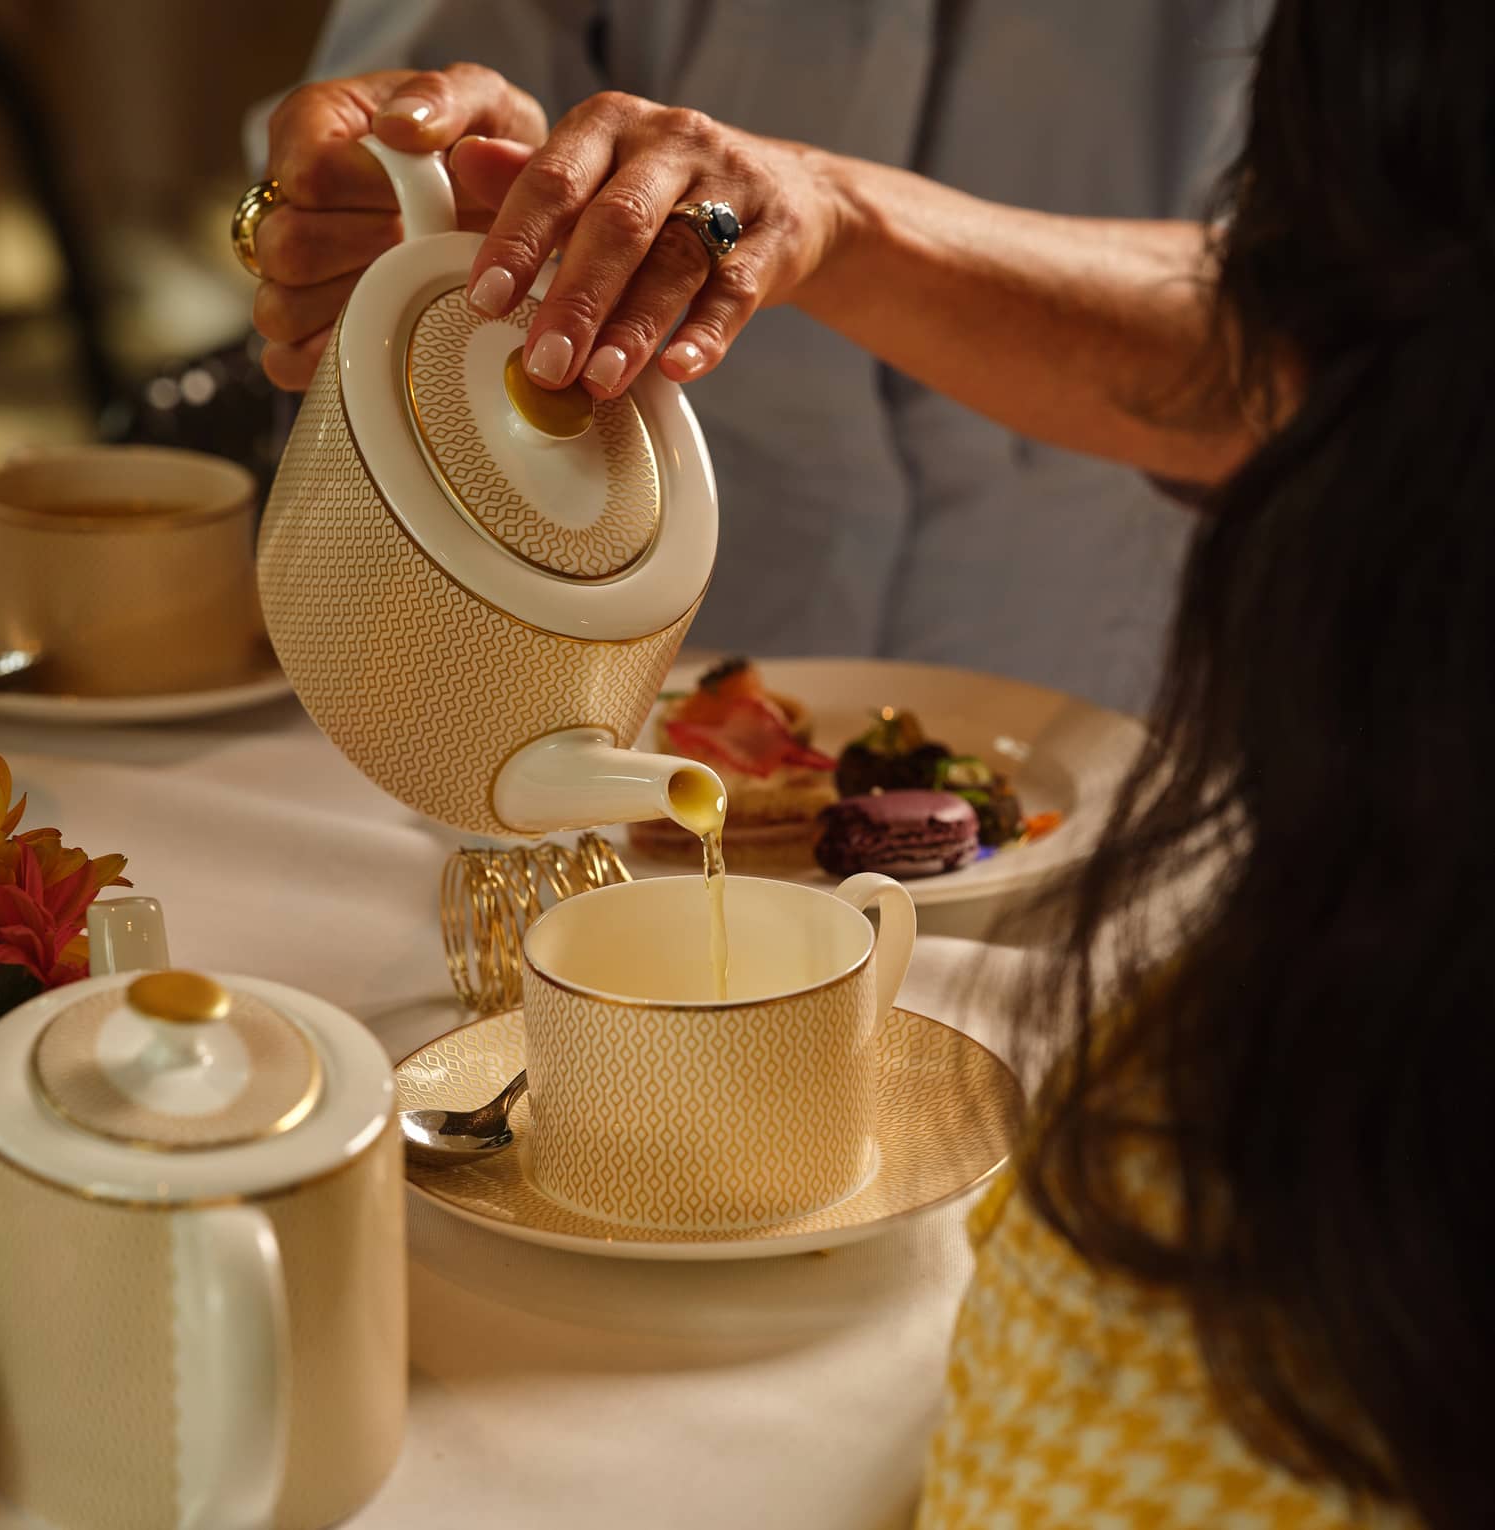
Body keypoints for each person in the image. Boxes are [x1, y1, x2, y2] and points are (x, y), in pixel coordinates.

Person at [269, 1, 1486, 1524]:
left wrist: (838, 218)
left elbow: (1353, 316)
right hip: (598, 647)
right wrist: (405, 193)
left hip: (1113, 760)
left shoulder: (1198, 1198)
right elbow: (393, 113)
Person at [244, 1, 1258, 715]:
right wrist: (371, 203)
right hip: (576, 666)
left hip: (1088, 693)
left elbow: (1323, 346)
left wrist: (839, 218)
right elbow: (395, 136)